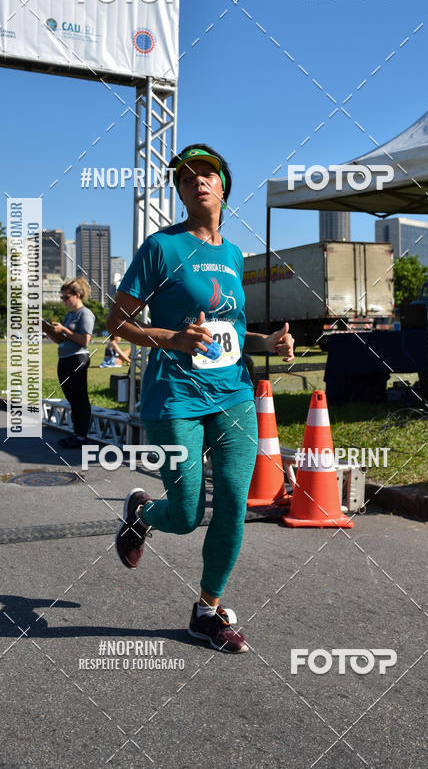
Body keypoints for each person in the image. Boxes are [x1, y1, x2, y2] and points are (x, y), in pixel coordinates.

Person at [106, 144, 294, 654]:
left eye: (207, 173)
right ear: (181, 193)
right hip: (175, 396)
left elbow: (231, 331)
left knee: (233, 502)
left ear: (224, 187)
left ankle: (208, 612)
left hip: (233, 394)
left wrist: (268, 343)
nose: (198, 181)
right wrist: (173, 338)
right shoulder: (161, 248)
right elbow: (117, 323)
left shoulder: (234, 255)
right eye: (187, 178)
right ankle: (143, 514)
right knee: (187, 513)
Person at [43, 278, 95, 448]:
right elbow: (62, 339)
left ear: (77, 295)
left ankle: (81, 436)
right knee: (72, 398)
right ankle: (76, 433)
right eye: (62, 297)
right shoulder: (70, 315)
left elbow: (85, 340)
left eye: (66, 297)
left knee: (80, 398)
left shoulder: (85, 314)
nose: (64, 301)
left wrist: (64, 329)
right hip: (65, 358)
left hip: (77, 359)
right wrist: (48, 330)